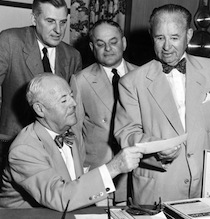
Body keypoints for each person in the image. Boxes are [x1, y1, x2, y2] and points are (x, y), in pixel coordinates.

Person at [114, 3, 210, 205]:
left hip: (206, 188)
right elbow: (127, 132)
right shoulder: (131, 82)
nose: (167, 47)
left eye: (174, 38)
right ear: (152, 36)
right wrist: (154, 147)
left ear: (189, 35)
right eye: (160, 38)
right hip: (156, 190)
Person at [0, 73, 143, 212]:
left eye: (72, 96)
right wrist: (114, 167)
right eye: (64, 100)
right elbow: (60, 198)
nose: (74, 103)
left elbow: (75, 186)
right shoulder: (24, 149)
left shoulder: (69, 132)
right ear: (40, 109)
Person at [0, 0, 82, 144]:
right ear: (34, 19)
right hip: (12, 140)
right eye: (50, 21)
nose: (58, 30)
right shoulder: (10, 41)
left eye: (63, 22)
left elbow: (73, 107)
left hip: (54, 143)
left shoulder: (72, 55)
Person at [70, 19, 137, 204]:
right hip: (99, 172)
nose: (107, 48)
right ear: (92, 47)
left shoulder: (142, 76)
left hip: (134, 175)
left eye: (113, 42)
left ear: (123, 43)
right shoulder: (80, 80)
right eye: (100, 44)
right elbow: (74, 133)